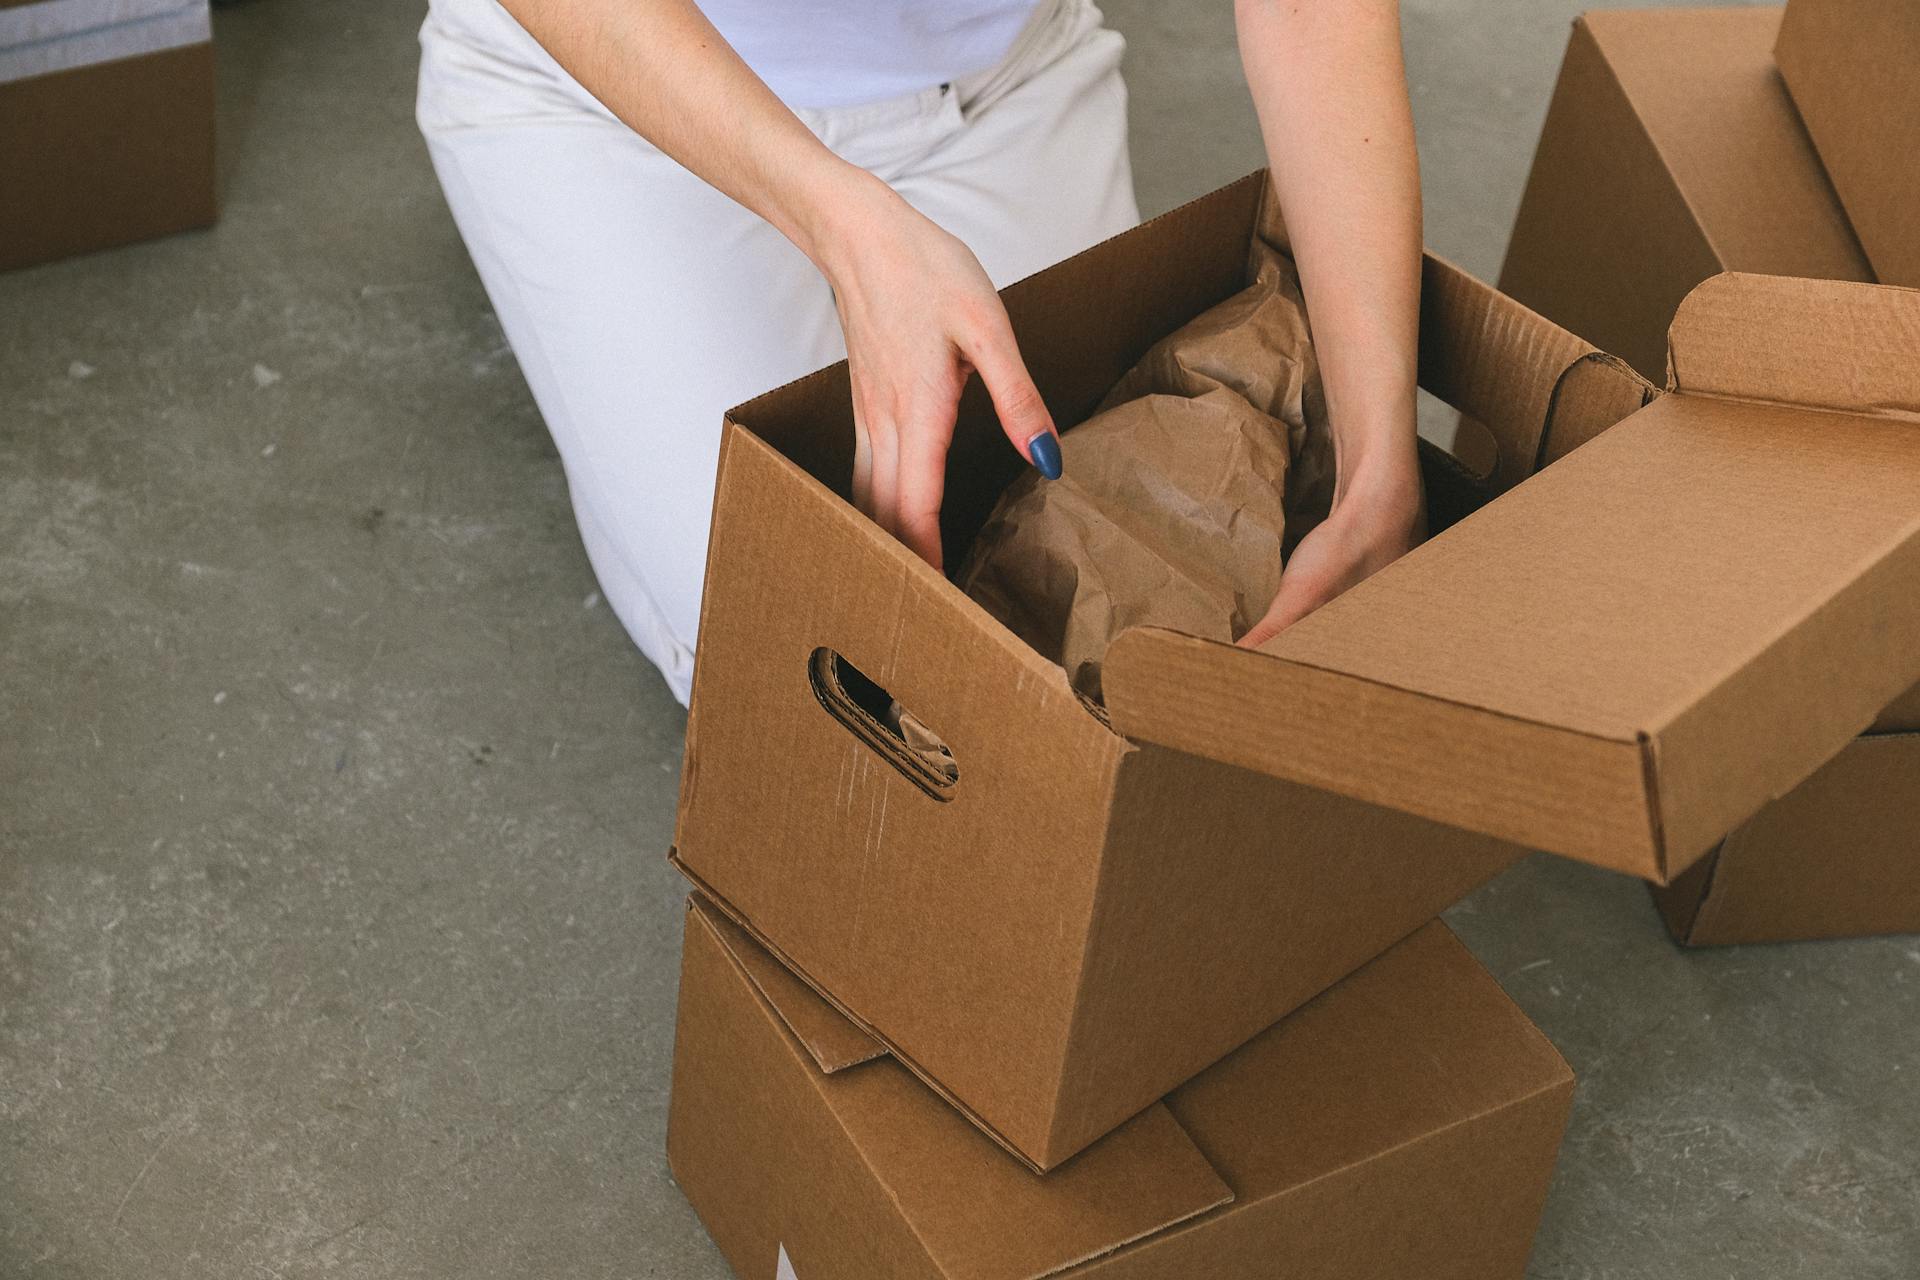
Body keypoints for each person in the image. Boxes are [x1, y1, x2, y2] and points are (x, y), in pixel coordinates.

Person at [416, 0, 1424, 705]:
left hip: (991, 82)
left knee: (1094, 595)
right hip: (617, 81)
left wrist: (1382, 460)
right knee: (792, 647)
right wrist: (845, 228)